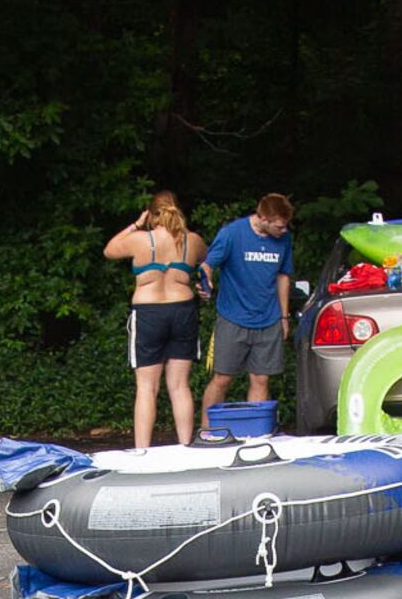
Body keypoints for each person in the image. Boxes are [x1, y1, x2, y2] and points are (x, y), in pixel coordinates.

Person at [102, 190, 203, 448]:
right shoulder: (191, 240)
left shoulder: (140, 239)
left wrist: (136, 224)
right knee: (180, 386)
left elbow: (109, 250)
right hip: (182, 310)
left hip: (149, 313)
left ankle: (142, 451)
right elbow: (206, 259)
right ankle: (185, 447)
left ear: (151, 214)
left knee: (147, 388)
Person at [201, 191, 300, 409]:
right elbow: (208, 264)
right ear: (263, 218)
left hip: (269, 319)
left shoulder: (283, 239)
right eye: (279, 226)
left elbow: (283, 276)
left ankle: (253, 435)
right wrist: (205, 279)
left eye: (285, 227)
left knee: (261, 379)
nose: (284, 231)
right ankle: (208, 431)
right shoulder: (232, 233)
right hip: (233, 317)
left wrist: (284, 317)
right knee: (222, 379)